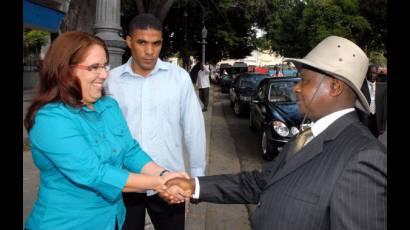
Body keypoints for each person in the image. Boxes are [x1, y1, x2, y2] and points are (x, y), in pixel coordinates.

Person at [165, 36, 387, 230]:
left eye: (304, 81)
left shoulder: (363, 157)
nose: (296, 88)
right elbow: (262, 183)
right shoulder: (308, 135)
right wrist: (194, 186)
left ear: (335, 87)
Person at [23, 31, 188, 230]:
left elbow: (130, 151)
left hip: (113, 220)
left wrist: (165, 174)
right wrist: (158, 183)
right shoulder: (50, 119)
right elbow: (95, 174)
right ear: (66, 70)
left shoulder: (108, 105)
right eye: (94, 67)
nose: (104, 74)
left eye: (104, 66)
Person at [105, 14, 206, 230]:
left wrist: (197, 178)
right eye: (142, 42)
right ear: (129, 41)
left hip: (170, 183)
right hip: (126, 182)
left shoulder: (178, 77)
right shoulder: (111, 81)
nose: (150, 51)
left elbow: (194, 128)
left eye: (156, 43)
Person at [358, 64, 387, 137]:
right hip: (364, 120)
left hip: (376, 120)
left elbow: (384, 107)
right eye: (370, 72)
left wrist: (383, 126)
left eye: (374, 73)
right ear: (366, 73)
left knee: (375, 140)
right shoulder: (360, 87)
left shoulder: (382, 88)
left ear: (377, 74)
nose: (372, 75)